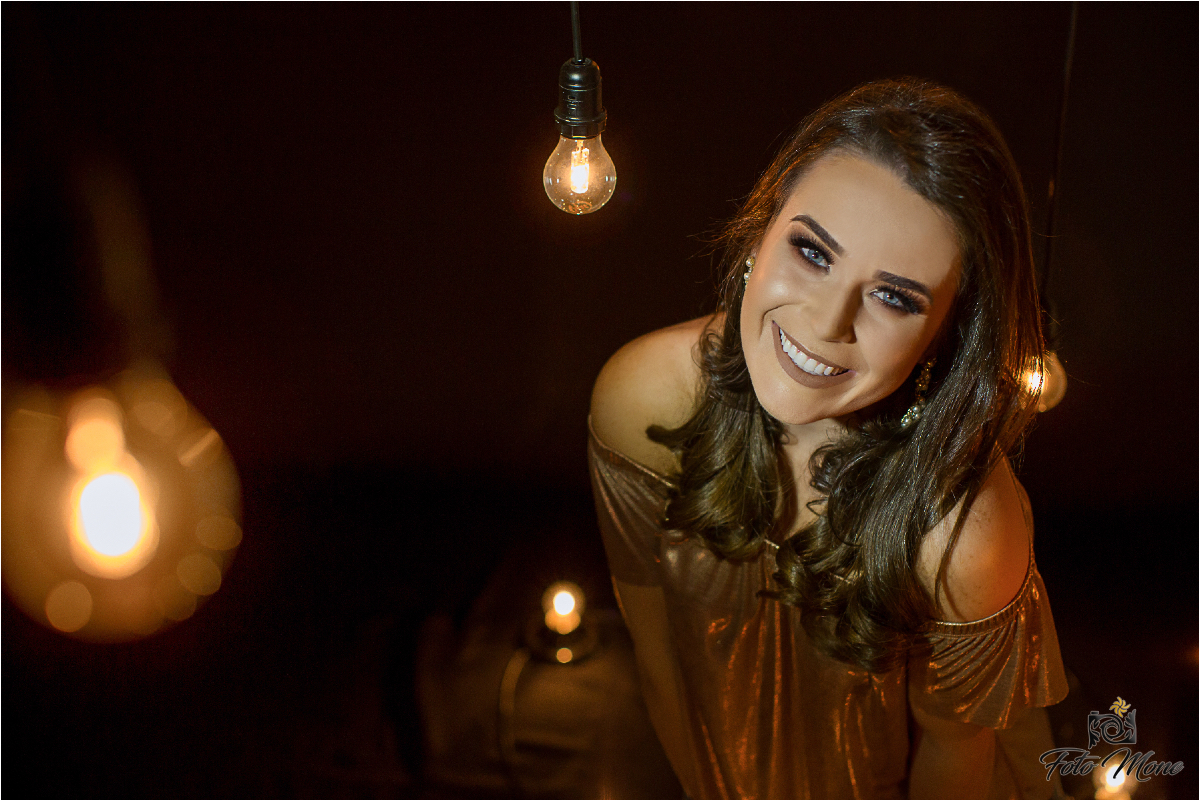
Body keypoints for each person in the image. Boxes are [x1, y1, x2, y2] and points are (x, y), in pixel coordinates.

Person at [588, 78, 1068, 799]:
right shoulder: (641, 398)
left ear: (945, 334)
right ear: (761, 233)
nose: (826, 321)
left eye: (894, 297)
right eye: (812, 252)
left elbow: (953, 764)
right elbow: (659, 665)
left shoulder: (964, 531)